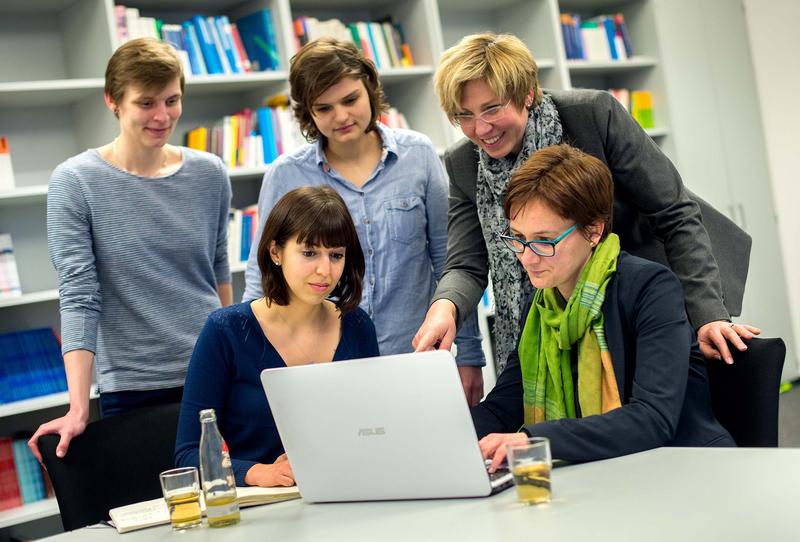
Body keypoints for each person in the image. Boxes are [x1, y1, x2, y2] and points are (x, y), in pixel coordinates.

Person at [413, 33, 759, 375]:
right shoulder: (463, 161)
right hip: (553, 317)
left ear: (527, 94)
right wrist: (446, 306)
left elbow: (674, 213)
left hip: (641, 294)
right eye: (464, 115)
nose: (480, 128)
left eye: (491, 108)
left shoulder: (592, 115)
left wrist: (708, 314)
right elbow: (466, 263)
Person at [242, 38, 486, 405]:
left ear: (371, 91)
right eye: (324, 108)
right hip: (322, 369)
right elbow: (262, 282)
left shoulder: (418, 155)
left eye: (350, 100)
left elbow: (453, 264)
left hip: (416, 357)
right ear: (308, 112)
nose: (340, 116)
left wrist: (469, 355)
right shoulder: (285, 175)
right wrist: (249, 373)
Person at [28, 38, 232, 462]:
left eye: (172, 100)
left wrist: (235, 358)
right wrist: (78, 406)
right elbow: (79, 296)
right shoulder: (75, 182)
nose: (162, 116)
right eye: (146, 103)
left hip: (213, 374)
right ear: (113, 101)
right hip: (133, 387)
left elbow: (219, 273)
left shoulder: (210, 174)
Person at [472, 144, 734, 470]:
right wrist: (448, 436)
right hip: (602, 471)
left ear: (593, 231)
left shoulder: (650, 288)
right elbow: (503, 405)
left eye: (544, 240)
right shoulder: (542, 303)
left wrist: (534, 440)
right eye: (518, 238)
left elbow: (652, 418)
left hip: (686, 467)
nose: (527, 257)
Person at [175, 186, 379, 487]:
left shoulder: (357, 325)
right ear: (275, 252)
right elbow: (188, 454)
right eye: (309, 252)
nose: (325, 270)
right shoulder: (225, 330)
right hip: (253, 506)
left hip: (342, 493)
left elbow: (374, 431)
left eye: (336, 255)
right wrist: (260, 472)